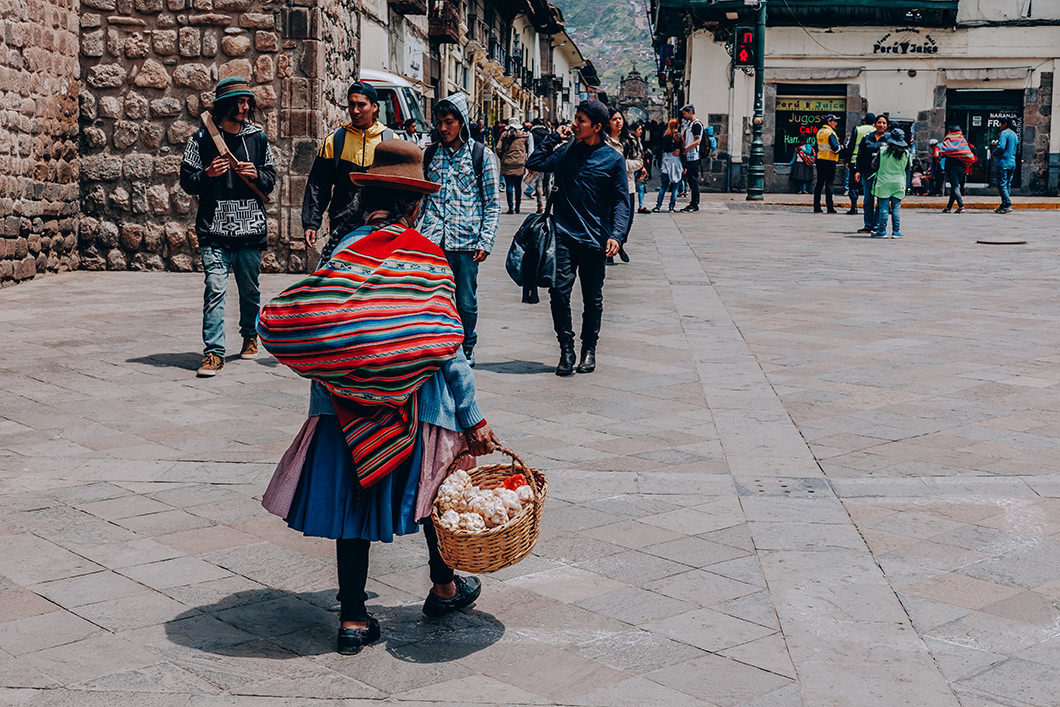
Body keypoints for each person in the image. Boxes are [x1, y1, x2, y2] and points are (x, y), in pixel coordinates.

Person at [264, 140, 502, 656]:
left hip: (342, 406)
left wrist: (343, 372)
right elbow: (446, 344)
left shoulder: (344, 250)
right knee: (433, 494)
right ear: (415, 205)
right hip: (416, 403)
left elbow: (310, 315)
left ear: (370, 195)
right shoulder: (426, 256)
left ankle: (352, 620)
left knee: (353, 508)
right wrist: (473, 416)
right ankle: (443, 588)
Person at [179, 77, 276, 378]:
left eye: (248, 102)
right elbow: (186, 181)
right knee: (215, 288)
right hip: (213, 229)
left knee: (249, 288)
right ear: (225, 106)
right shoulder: (201, 139)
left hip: (250, 229)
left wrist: (257, 174)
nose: (246, 107)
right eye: (240, 102)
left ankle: (250, 333)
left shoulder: (258, 139)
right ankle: (213, 353)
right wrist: (207, 174)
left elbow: (271, 180)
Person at [526, 100, 629, 377]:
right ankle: (566, 348)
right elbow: (534, 162)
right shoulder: (566, 152)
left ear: (597, 126)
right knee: (559, 293)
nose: (574, 124)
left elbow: (621, 201)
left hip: (596, 239)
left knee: (593, 298)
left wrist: (617, 235)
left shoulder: (613, 159)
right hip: (564, 235)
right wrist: (552, 138)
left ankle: (589, 349)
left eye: (580, 120)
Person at [419, 92, 501, 368]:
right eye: (440, 122)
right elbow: (421, 199)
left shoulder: (482, 156)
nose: (443, 128)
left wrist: (485, 240)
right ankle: (437, 344)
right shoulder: (430, 154)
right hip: (433, 240)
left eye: (449, 122)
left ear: (462, 122)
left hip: (466, 242)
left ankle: (466, 345)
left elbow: (491, 203)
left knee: (466, 298)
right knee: (433, 295)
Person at [301, 82, 395, 253]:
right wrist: (311, 223)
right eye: (351, 104)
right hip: (342, 228)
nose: (355, 110)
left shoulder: (390, 140)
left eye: (361, 105)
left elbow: (401, 189)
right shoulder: (335, 141)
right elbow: (318, 185)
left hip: (380, 227)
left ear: (374, 107)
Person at [605, 107, 639, 264]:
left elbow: (639, 161)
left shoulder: (630, 139)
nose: (618, 121)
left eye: (620, 118)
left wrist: (621, 165)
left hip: (627, 185)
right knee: (609, 218)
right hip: (607, 185)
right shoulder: (603, 140)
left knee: (628, 219)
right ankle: (609, 253)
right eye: (614, 119)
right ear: (608, 122)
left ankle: (620, 243)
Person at [871, 128, 912, 239]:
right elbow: (908, 168)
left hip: (883, 182)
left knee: (883, 208)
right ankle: (896, 232)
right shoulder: (906, 153)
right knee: (896, 207)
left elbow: (874, 166)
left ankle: (882, 231)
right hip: (899, 183)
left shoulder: (883, 150)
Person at [853, 114, 888, 233]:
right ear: (875, 124)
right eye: (879, 122)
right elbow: (860, 155)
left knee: (881, 199)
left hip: (883, 173)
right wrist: (858, 170)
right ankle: (868, 224)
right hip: (868, 172)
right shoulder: (867, 138)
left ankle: (877, 225)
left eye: (884, 123)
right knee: (868, 198)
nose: (881, 125)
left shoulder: (889, 139)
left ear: (887, 126)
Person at [841, 113, 876, 214]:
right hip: (872, 161)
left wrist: (847, 160)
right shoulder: (876, 131)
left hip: (855, 160)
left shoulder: (857, 129)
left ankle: (854, 206)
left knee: (853, 185)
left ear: (864, 121)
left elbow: (851, 145)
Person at [496, 117, 529, 214]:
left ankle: (510, 208)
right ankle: (517, 207)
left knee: (509, 185)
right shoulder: (523, 136)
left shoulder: (504, 135)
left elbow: (498, 147)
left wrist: (502, 157)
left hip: (507, 162)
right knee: (518, 186)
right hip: (519, 163)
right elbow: (527, 149)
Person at [939, 125, 974, 213]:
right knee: (955, 186)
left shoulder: (948, 140)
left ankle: (961, 206)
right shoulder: (963, 140)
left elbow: (943, 152)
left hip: (952, 166)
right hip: (962, 167)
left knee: (955, 186)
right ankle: (948, 207)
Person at [653, 118, 683, 213]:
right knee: (675, 187)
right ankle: (671, 207)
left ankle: (658, 206)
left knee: (663, 187)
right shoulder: (679, 137)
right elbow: (683, 150)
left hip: (667, 161)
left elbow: (664, 148)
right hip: (677, 162)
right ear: (677, 126)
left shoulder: (665, 136)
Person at [813, 114, 841, 214]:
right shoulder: (830, 133)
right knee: (829, 184)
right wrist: (841, 147)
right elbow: (835, 148)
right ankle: (830, 207)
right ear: (829, 121)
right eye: (835, 121)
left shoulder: (820, 131)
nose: (836, 123)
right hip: (830, 161)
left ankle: (817, 206)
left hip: (820, 159)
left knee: (819, 183)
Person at [678, 104, 703, 212]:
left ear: (691, 112)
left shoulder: (696, 125)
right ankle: (693, 203)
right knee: (690, 181)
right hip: (689, 156)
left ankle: (694, 204)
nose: (683, 116)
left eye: (684, 113)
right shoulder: (689, 125)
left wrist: (685, 149)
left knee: (693, 181)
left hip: (694, 156)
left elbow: (697, 141)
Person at [992, 117, 1019, 214]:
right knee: (1007, 184)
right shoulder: (1014, 134)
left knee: (1002, 184)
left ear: (1005, 124)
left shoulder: (1004, 133)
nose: (999, 126)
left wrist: (994, 152)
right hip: (1012, 162)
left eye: (1000, 124)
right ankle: (1003, 205)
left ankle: (1007, 204)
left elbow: (1001, 147)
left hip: (1003, 162)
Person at [528, 119, 552, 214]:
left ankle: (540, 205)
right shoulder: (548, 133)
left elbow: (531, 148)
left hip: (537, 160)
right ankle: (549, 206)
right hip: (548, 159)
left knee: (539, 184)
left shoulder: (531, 134)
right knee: (548, 184)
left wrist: (530, 162)